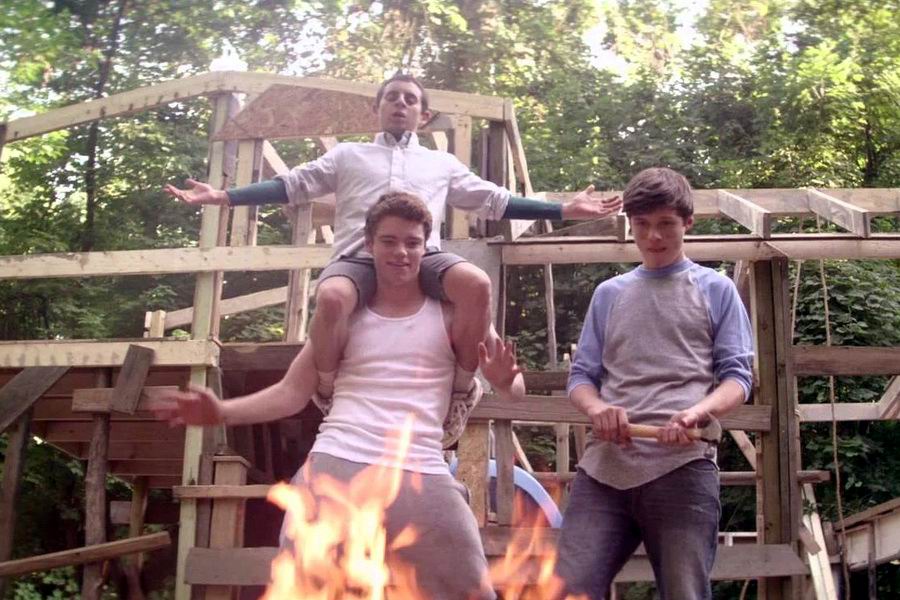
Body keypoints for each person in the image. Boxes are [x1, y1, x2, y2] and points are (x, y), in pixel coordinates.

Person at [164, 73, 620, 446]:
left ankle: (462, 384)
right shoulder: (348, 155)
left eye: (410, 99)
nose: (400, 104)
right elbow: (292, 185)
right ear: (376, 109)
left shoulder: (440, 164)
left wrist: (562, 210)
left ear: (424, 115)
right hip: (357, 259)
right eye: (391, 97)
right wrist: (224, 196)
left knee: (477, 283)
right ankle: (327, 383)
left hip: (427, 258)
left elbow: (495, 200)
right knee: (332, 296)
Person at [152, 191, 524, 599]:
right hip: (338, 461)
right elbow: (290, 392)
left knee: (472, 591)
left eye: (412, 242)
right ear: (369, 244)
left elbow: (516, 392)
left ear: (426, 248)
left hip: (420, 468)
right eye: (389, 241)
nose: (401, 252)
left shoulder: (451, 314)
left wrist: (505, 381)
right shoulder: (346, 317)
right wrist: (222, 411)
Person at [553, 168, 754, 599]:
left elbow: (738, 379)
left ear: (688, 223)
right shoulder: (609, 294)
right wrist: (597, 409)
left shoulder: (715, 289)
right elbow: (581, 378)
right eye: (641, 224)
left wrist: (699, 412)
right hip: (604, 469)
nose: (653, 236)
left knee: (684, 593)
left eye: (665, 223)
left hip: (682, 467)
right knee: (568, 588)